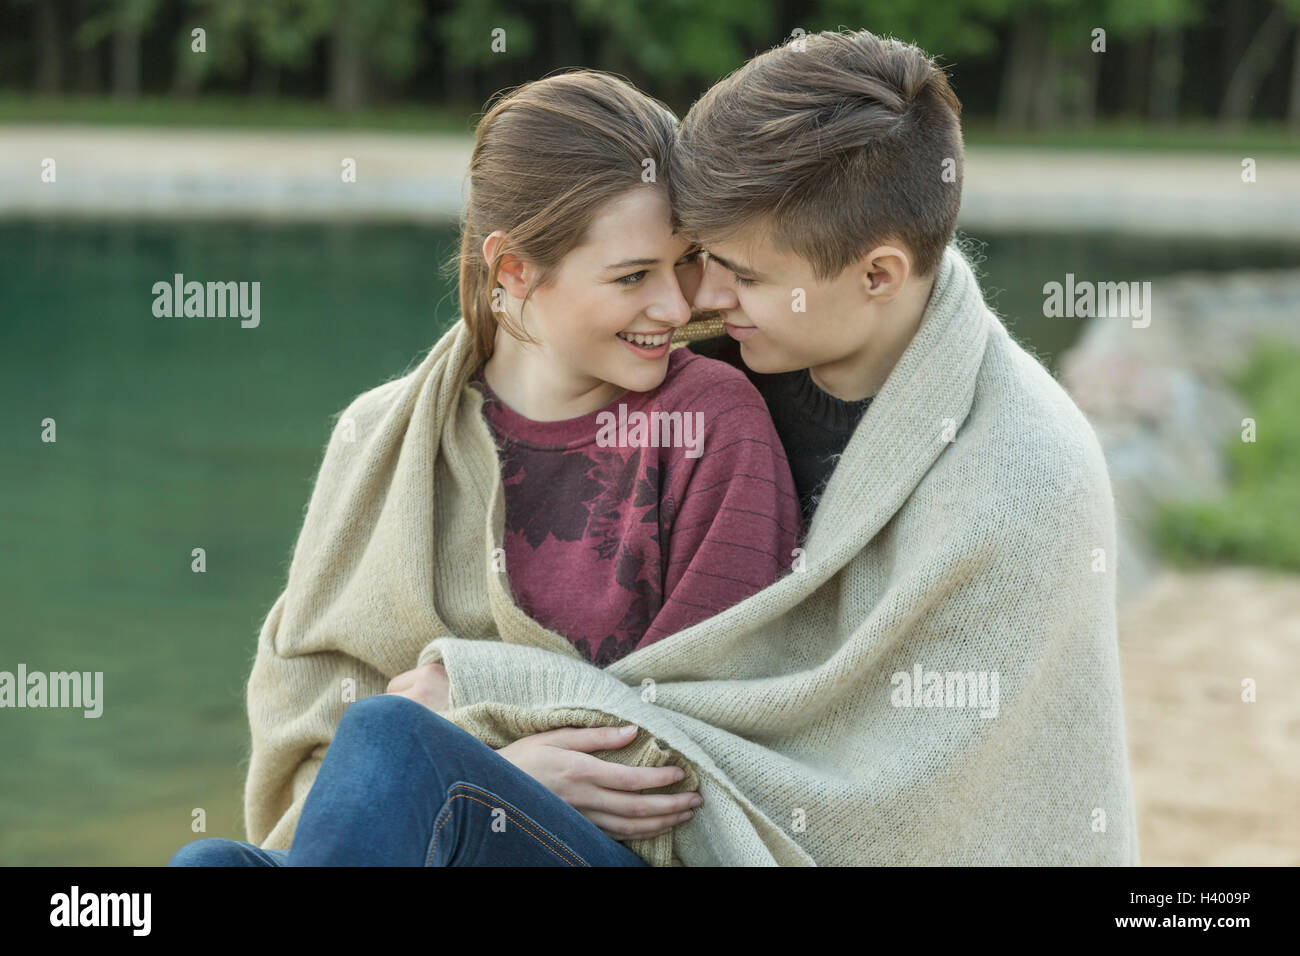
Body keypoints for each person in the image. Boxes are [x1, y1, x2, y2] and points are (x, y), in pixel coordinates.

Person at [169, 70, 801, 867]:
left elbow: (733, 724)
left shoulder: (713, 422)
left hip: (621, 851)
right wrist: (495, 773)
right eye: (633, 276)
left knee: (394, 736)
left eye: (684, 265)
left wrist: (471, 745)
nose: (677, 308)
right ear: (513, 271)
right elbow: (307, 727)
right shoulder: (383, 433)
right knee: (210, 865)